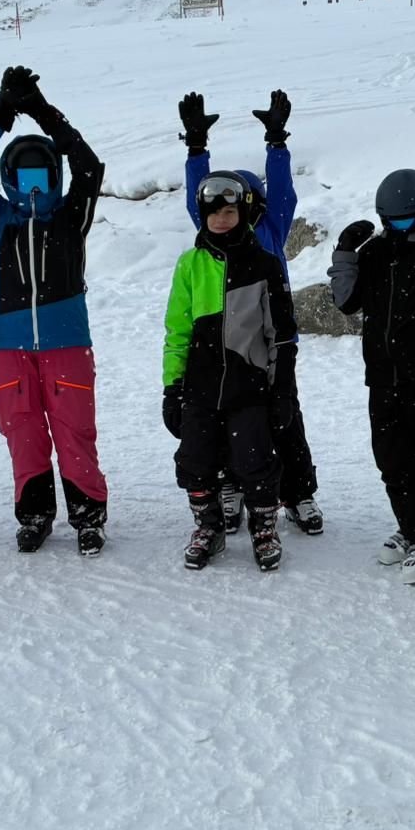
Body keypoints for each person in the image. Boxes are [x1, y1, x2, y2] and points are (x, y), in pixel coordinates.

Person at [0, 65, 109, 556]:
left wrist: (47, 116)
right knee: (22, 433)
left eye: (41, 172)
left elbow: (89, 167)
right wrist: (0, 116)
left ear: (53, 176)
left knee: (74, 432)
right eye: (22, 173)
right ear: (9, 178)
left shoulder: (72, 215)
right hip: (9, 349)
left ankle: (88, 516)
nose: (32, 182)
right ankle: (35, 515)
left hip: (67, 345)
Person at [177, 90, 323, 537]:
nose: (229, 210)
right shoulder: (213, 233)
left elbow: (283, 189)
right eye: (221, 203)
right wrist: (196, 148)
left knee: (285, 419)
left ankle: (298, 494)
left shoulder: (272, 224)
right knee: (227, 422)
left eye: (240, 200)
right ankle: (231, 488)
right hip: (226, 344)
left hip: (273, 342)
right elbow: (193, 198)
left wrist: (277, 142)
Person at [328, 169, 415, 584]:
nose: (401, 230)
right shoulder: (375, 253)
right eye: (393, 222)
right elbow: (347, 304)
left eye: (409, 221)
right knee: (390, 460)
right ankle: (412, 530)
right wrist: (345, 255)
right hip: (382, 377)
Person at [161, 172, 296, 572]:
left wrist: (282, 390)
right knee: (194, 459)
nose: (221, 219)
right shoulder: (190, 264)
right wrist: (173, 387)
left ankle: (263, 526)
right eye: (214, 212)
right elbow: (177, 330)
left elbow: (282, 336)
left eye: (230, 211)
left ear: (244, 214)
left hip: (248, 383)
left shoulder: (264, 264)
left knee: (255, 459)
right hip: (200, 387)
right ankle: (209, 527)